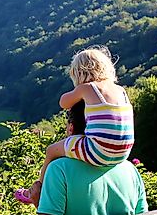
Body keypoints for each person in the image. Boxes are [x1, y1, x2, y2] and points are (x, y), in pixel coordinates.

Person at [16, 46, 135, 205]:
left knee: (51, 151)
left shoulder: (87, 88)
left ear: (79, 72)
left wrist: (78, 92)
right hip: (123, 152)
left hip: (98, 150)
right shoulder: (121, 91)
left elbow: (64, 102)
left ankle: (38, 191)